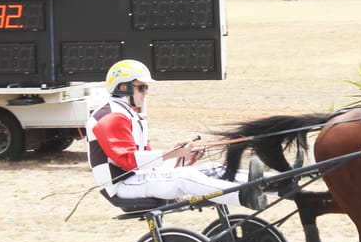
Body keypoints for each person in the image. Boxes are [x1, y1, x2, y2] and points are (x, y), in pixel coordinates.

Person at [87, 59, 266, 210]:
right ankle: (244, 195)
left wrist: (183, 157)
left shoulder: (129, 114)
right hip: (123, 186)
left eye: (146, 88)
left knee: (212, 169)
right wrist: (175, 153)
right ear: (123, 87)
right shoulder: (110, 116)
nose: (146, 93)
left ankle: (277, 183)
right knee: (185, 176)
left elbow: (149, 166)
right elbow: (127, 160)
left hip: (137, 179)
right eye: (141, 87)